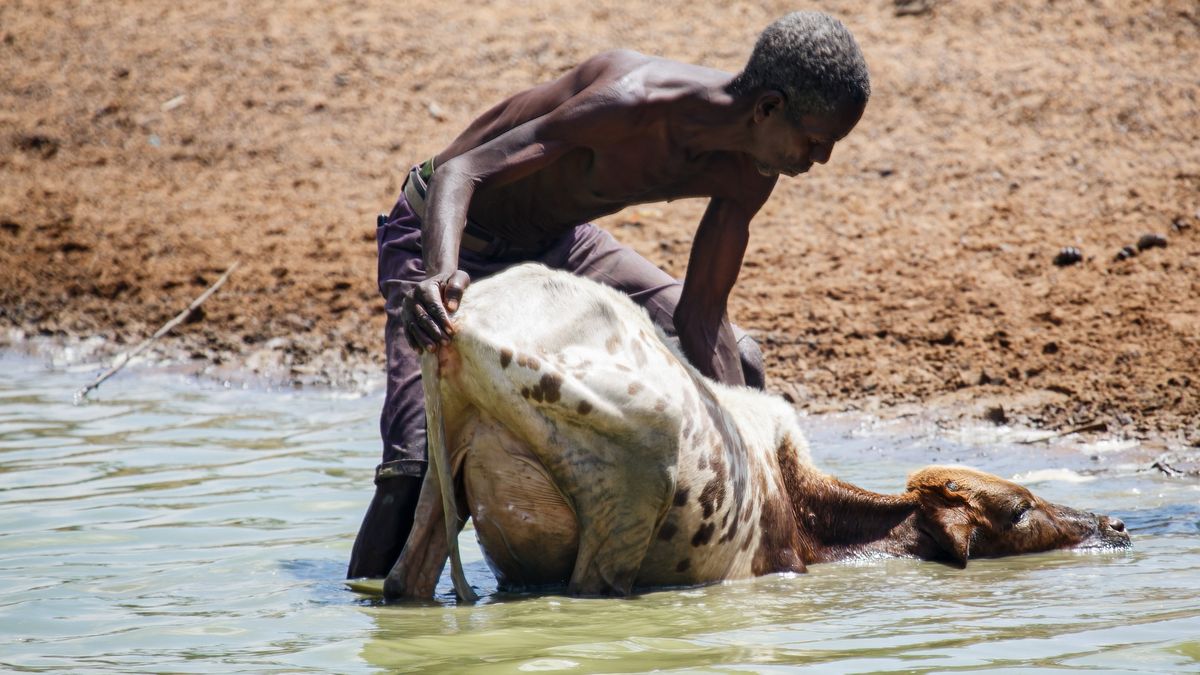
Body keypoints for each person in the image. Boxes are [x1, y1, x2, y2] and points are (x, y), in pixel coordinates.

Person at [348, 10, 870, 579]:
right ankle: (369, 606)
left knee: (741, 359)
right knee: (412, 468)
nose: (821, 161)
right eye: (816, 140)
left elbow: (701, 316)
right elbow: (460, 174)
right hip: (447, 229)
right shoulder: (629, 104)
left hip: (564, 241)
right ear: (767, 108)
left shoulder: (753, 169)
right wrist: (436, 276)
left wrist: (741, 451)